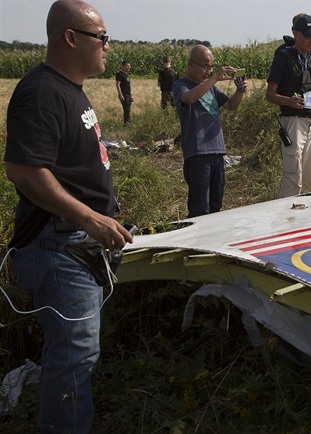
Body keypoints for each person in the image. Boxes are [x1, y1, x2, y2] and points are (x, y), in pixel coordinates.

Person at [3, 1, 134, 432]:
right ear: (70, 37)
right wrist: (89, 219)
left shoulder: (70, 89)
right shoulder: (41, 91)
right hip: (58, 247)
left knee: (76, 355)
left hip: (75, 246)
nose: (108, 47)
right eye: (102, 37)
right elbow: (24, 170)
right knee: (76, 358)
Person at [266, 14, 311, 198]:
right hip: (293, 121)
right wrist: (289, 101)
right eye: (307, 36)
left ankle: (306, 218)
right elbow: (270, 94)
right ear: (296, 34)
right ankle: (287, 218)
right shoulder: (283, 57)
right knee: (293, 174)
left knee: (308, 176)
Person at [173, 45, 248, 218]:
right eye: (205, 66)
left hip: (217, 152)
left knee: (215, 206)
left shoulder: (211, 88)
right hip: (197, 154)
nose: (208, 71)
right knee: (200, 209)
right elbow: (189, 98)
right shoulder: (181, 85)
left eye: (211, 67)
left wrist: (240, 90)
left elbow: (231, 105)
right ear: (191, 65)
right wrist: (214, 78)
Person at [115, 59, 133, 124]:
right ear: (123, 66)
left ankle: (129, 121)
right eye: (127, 66)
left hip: (128, 94)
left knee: (128, 109)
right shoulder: (119, 74)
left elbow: (128, 86)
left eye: (129, 66)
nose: (129, 67)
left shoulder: (126, 75)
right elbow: (118, 84)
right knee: (126, 109)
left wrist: (131, 96)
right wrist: (121, 94)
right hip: (123, 94)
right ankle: (126, 123)